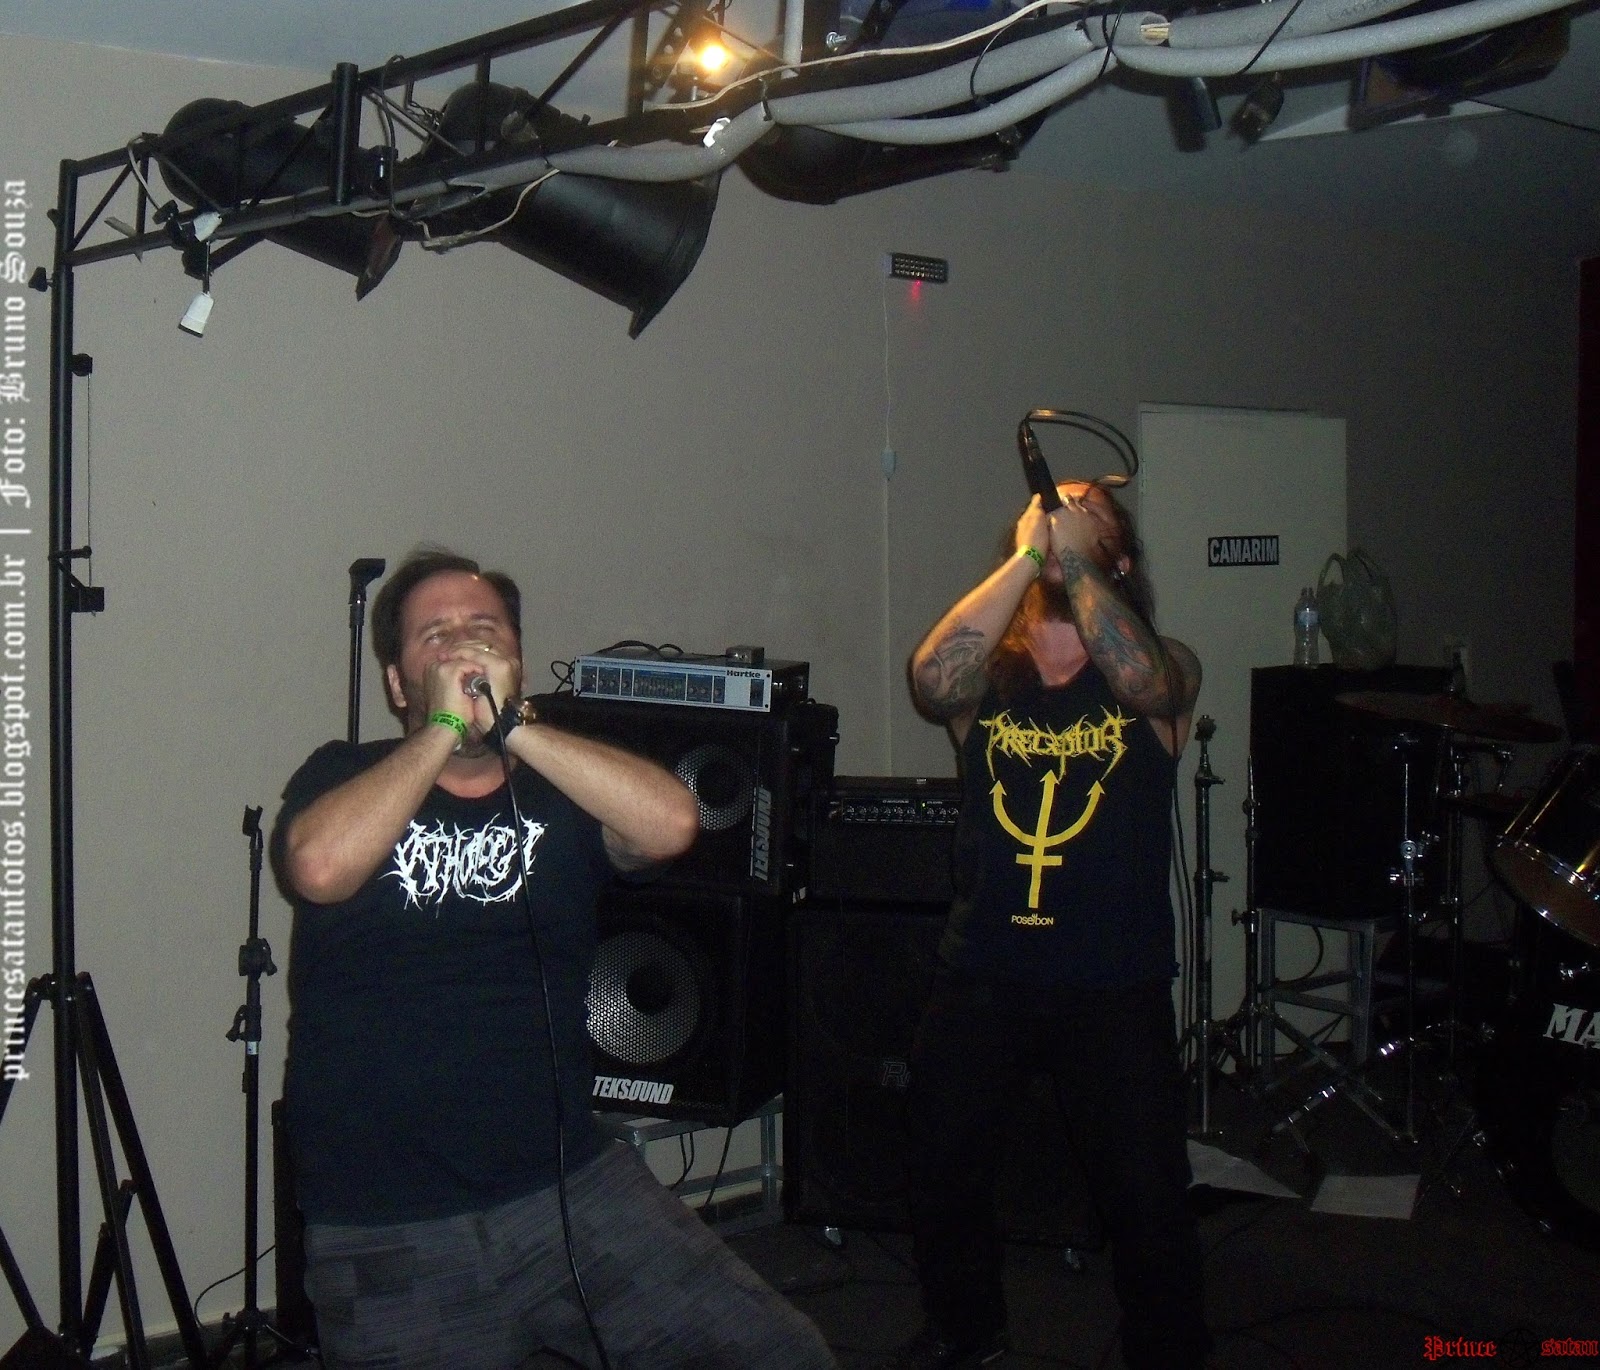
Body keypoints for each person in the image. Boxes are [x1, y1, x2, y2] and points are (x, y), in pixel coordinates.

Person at [273, 548, 838, 1370]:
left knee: (784, 1354)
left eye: (484, 629)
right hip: (388, 1225)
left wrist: (516, 728)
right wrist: (443, 730)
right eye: (436, 636)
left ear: (518, 661)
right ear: (398, 682)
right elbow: (320, 868)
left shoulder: (562, 783)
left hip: (570, 1188)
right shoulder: (345, 773)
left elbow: (673, 825)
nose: (465, 648)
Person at [896, 483, 1209, 1369]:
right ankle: (965, 1331)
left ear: (1120, 555)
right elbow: (929, 681)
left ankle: (1168, 1352)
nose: (1058, 511)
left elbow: (1146, 682)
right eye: (1047, 507)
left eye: (1083, 511)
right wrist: (1032, 555)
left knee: (1144, 1191)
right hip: (985, 967)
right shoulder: (987, 679)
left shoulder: (1163, 664)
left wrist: (1073, 557)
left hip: (1113, 979)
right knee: (942, 1160)